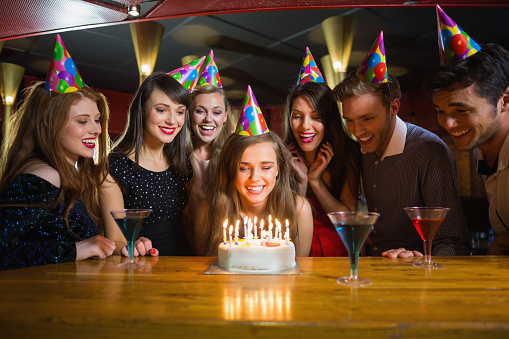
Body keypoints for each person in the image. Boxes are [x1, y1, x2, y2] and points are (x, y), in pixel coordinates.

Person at [333, 31, 471, 258]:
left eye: (367, 119)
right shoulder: (361, 150)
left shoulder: (429, 150)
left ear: (394, 108)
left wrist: (422, 260)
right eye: (350, 121)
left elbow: (454, 243)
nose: (357, 132)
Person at [0, 35, 116, 270]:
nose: (96, 129)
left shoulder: (68, 172)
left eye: (96, 120)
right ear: (51, 125)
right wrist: (75, 249)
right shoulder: (43, 175)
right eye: (83, 121)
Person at [195, 87, 313, 256]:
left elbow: (300, 271)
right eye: (243, 168)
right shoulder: (209, 210)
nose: (255, 178)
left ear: (278, 168)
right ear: (230, 170)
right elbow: (201, 270)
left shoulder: (300, 210)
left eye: (266, 168)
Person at [424, 39, 509, 254]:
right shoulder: (479, 152)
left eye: (461, 110)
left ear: (505, 100)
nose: (447, 124)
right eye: (440, 111)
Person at [99, 72, 193, 256]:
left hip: (185, 265)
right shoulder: (114, 167)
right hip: (143, 269)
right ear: (141, 110)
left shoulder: (182, 162)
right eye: (161, 110)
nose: (172, 120)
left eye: (180, 112)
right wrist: (132, 246)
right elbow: (114, 240)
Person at [284, 81, 360, 257]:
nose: (305, 126)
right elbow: (285, 223)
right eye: (297, 116)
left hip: (335, 250)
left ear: (329, 119)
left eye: (316, 117)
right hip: (295, 248)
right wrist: (302, 181)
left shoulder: (346, 152)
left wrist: (316, 182)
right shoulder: (283, 155)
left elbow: (348, 220)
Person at [185, 84, 234, 234]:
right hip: (179, 243)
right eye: (200, 111)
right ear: (189, 114)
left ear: (225, 116)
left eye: (216, 112)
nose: (208, 119)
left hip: (221, 240)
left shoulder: (233, 156)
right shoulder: (174, 156)